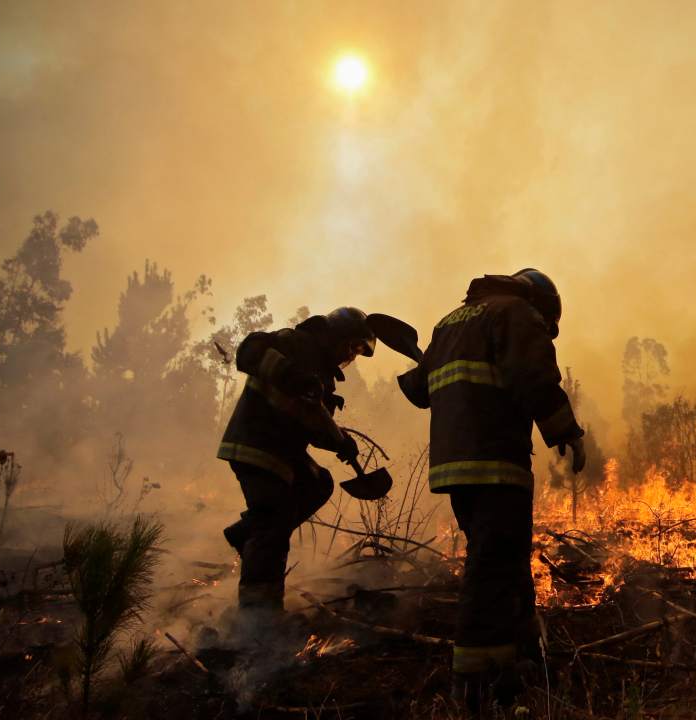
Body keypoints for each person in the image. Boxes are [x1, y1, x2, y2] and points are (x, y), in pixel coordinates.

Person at [397, 268, 585, 711]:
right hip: (495, 461)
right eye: (548, 325)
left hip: (455, 467)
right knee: (489, 571)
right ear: (542, 304)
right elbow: (534, 376)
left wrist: (430, 358)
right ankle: (474, 684)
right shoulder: (516, 312)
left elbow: (418, 390)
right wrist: (565, 430)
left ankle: (520, 659)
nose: (546, 330)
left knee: (505, 560)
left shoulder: (449, 322)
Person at [216, 307, 374, 614]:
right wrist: (292, 376)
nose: (351, 356)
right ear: (337, 336)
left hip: (283, 452)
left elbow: (311, 419)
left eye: (356, 352)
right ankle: (258, 614)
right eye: (352, 347)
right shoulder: (296, 343)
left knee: (318, 483)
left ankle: (246, 532)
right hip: (256, 443)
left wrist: (340, 439)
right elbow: (248, 351)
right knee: (273, 525)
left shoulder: (320, 373)